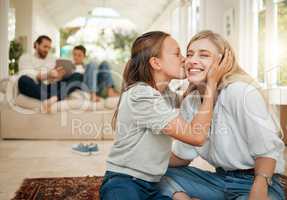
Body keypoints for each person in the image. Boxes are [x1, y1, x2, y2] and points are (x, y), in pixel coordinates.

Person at [99, 31, 232, 200]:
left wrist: (198, 79)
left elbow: (187, 103)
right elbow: (196, 136)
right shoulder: (141, 95)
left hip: (152, 184)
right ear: (156, 63)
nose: (185, 59)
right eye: (178, 54)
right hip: (125, 182)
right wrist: (212, 83)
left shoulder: (164, 93)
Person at [158, 30, 285, 200]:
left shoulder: (239, 92)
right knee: (154, 175)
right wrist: (139, 163)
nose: (192, 60)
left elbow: (268, 151)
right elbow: (182, 156)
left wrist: (260, 186)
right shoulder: (192, 101)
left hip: (259, 179)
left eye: (204, 55)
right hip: (220, 179)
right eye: (189, 54)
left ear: (224, 62)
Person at [17, 35, 83, 112]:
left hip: (50, 87)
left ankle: (55, 98)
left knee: (78, 76)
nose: (47, 50)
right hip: (35, 87)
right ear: (36, 45)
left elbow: (54, 78)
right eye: (45, 47)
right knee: (23, 80)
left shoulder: (52, 58)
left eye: (49, 48)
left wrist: (59, 76)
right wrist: (48, 75)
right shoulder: (25, 58)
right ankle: (57, 97)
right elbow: (30, 76)